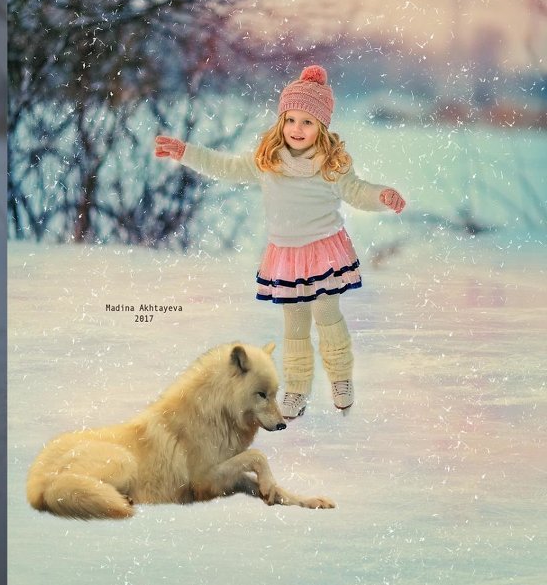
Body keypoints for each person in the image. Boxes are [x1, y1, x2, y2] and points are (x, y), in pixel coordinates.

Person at [154, 65, 405, 419]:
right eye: (291, 120)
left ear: (321, 127)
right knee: (295, 324)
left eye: (307, 122)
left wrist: (382, 196)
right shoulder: (267, 160)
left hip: (322, 248)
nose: (297, 129)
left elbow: (356, 191)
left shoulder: (331, 163)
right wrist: (186, 152)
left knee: (326, 313)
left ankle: (341, 377)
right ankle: (298, 388)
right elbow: (226, 166)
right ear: (281, 121)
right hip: (286, 254)